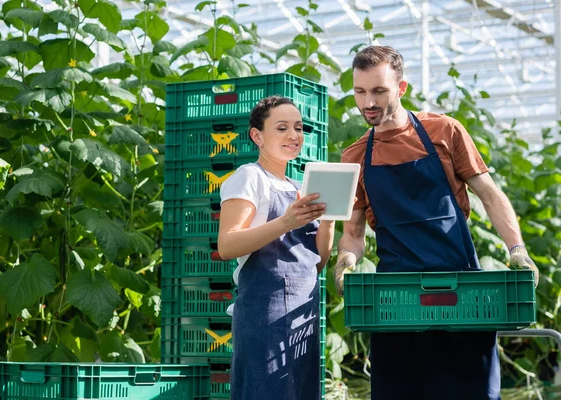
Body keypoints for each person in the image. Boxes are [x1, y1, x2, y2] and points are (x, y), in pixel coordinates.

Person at [334, 45, 539, 400]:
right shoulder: (353, 156)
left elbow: (490, 195)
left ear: (401, 89)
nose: (368, 102)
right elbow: (353, 232)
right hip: (395, 300)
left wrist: (517, 250)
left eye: (379, 91)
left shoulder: (444, 131)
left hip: (461, 291)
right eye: (360, 91)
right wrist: (345, 261)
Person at [218, 95, 335, 400]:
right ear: (257, 136)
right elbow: (227, 244)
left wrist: (331, 220)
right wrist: (286, 221)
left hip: (301, 316)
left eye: (298, 128)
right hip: (264, 314)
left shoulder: (300, 187)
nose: (293, 136)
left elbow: (316, 263)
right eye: (281, 128)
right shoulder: (249, 177)